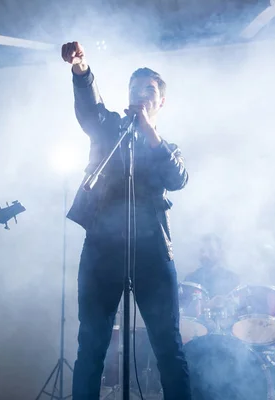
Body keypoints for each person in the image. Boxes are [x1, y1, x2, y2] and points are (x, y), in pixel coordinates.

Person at [61, 41, 192, 400]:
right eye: (134, 88)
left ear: (160, 101)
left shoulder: (165, 145)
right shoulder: (109, 129)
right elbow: (89, 110)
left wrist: (149, 130)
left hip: (151, 248)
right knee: (91, 345)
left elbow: (177, 179)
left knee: (168, 344)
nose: (140, 94)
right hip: (103, 247)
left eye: (149, 89)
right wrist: (81, 70)